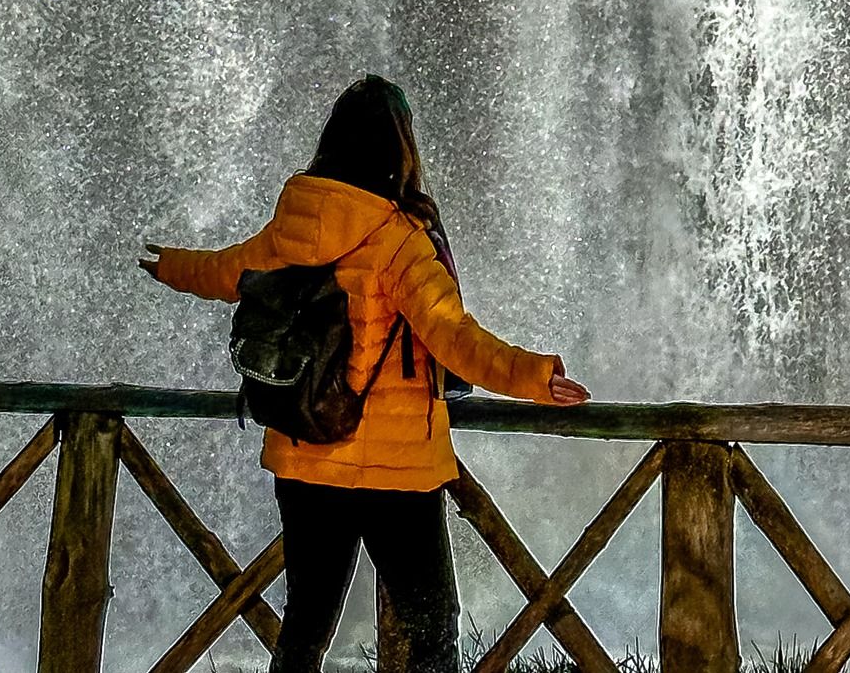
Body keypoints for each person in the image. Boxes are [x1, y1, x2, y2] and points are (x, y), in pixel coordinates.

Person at [141, 75, 591, 673]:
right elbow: (453, 337)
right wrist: (536, 377)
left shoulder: (294, 225)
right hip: (395, 469)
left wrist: (171, 264)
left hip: (306, 454)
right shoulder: (399, 240)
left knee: (304, 628)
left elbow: (225, 272)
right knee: (433, 631)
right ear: (400, 148)